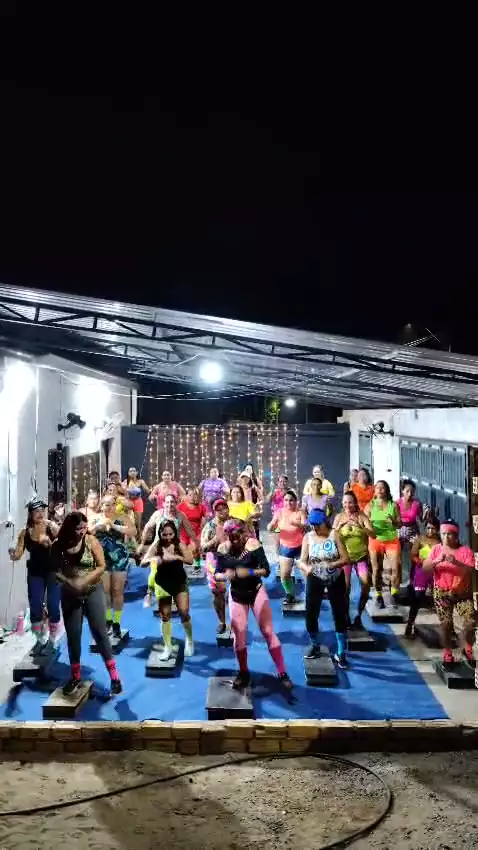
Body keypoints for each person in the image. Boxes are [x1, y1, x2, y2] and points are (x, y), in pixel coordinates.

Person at [50, 511, 122, 696]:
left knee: (100, 634)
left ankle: (114, 676)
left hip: (92, 591)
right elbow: (53, 569)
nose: (82, 532)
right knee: (73, 637)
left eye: (84, 527)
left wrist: (84, 580)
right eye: (78, 529)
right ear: (69, 528)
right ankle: (75, 676)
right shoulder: (58, 546)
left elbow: (102, 566)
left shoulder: (91, 541)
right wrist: (69, 581)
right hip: (70, 595)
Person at [216, 519, 292, 690]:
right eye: (233, 537)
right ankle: (243, 672)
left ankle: (282, 672)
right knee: (239, 636)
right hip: (237, 595)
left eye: (239, 535)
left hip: (256, 591)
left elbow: (266, 570)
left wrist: (248, 572)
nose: (237, 539)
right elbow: (217, 573)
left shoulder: (253, 545)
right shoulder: (222, 549)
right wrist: (225, 576)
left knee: (267, 631)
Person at [298, 508, 351, 669]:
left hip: (335, 578)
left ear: (325, 522)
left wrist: (332, 565)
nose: (315, 528)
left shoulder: (334, 535)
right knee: (311, 613)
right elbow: (302, 561)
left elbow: (346, 558)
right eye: (312, 525)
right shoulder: (308, 537)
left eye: (318, 525)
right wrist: (307, 569)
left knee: (339, 613)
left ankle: (340, 652)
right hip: (315, 578)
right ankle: (315, 645)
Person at [8, 498, 61, 653]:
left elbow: (63, 545)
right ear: (30, 514)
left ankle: (52, 640)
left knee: (53, 605)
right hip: (36, 572)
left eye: (42, 510)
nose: (40, 514)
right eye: (37, 511)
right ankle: (40, 639)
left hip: (53, 570)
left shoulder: (51, 526)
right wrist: (13, 553)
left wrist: (50, 542)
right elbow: (18, 554)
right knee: (36, 606)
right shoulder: (25, 532)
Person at [423, 520, 476, 668]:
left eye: (450, 534)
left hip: (461, 593)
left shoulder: (465, 551)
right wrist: (436, 561)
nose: (446, 537)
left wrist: (457, 563)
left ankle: (467, 648)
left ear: (456, 535)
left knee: (471, 622)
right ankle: (448, 653)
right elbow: (425, 569)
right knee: (446, 624)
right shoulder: (436, 549)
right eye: (443, 534)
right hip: (442, 592)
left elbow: (470, 570)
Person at [142, 519, 194, 659]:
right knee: (165, 616)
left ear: (175, 533)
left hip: (179, 583)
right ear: (160, 534)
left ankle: (189, 640)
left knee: (184, 613)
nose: (168, 537)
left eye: (170, 534)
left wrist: (174, 557)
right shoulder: (156, 545)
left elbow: (190, 560)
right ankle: (167, 646)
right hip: (162, 584)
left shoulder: (179, 544)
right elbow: (142, 562)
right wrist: (153, 559)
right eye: (165, 534)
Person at [90, 494, 136, 637]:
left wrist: (114, 526)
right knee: (105, 591)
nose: (110, 507)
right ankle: (108, 620)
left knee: (117, 591)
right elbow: (85, 532)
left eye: (112, 504)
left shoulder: (122, 517)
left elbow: (133, 531)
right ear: (102, 505)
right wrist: (97, 527)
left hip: (119, 558)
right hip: (102, 559)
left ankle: (116, 622)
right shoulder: (95, 518)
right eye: (107, 504)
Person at [333, 491, 375, 627]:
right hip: (345, 559)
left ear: (355, 503)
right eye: (345, 502)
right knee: (345, 589)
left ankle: (359, 614)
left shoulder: (362, 516)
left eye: (350, 502)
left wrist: (361, 526)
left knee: (366, 585)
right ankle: (345, 616)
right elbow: (331, 536)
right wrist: (339, 527)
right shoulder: (339, 517)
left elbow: (373, 535)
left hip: (361, 558)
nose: (347, 505)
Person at [365, 480, 402, 608]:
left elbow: (400, 524)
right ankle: (378, 594)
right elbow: (364, 522)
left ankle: (394, 592)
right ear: (374, 491)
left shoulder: (394, 505)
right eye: (378, 488)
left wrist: (393, 521)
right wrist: (369, 526)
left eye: (382, 488)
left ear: (386, 490)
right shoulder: (370, 505)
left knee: (396, 567)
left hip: (391, 540)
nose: (380, 490)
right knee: (376, 569)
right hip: (375, 540)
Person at [267, 489, 307, 603]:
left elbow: (306, 527)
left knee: (306, 573)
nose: (288, 502)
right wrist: (270, 527)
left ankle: (310, 594)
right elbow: (271, 526)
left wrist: (297, 524)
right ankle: (290, 595)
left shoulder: (300, 512)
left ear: (296, 501)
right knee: (284, 575)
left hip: (301, 547)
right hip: (286, 547)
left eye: (291, 500)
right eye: (286, 500)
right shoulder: (279, 512)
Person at [404, 517, 440, 638]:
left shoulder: (440, 542)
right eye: (428, 528)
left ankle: (449, 629)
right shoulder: (420, 539)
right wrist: (421, 561)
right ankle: (410, 625)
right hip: (421, 571)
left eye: (433, 528)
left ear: (437, 529)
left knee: (441, 600)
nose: (430, 531)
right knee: (417, 599)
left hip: (436, 572)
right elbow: (413, 555)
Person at [200, 499, 230, 633]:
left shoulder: (234, 523)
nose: (222, 511)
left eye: (224, 508)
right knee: (217, 593)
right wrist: (216, 539)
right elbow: (203, 547)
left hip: (233, 560)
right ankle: (222, 622)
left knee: (238, 592)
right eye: (219, 509)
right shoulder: (209, 527)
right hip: (215, 560)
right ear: (214, 511)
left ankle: (238, 622)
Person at [396, 479, 423, 584]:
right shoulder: (397, 503)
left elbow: (421, 519)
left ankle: (413, 580)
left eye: (412, 491)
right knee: (397, 556)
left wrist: (426, 515)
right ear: (402, 491)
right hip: (400, 530)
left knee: (415, 555)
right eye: (407, 491)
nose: (410, 494)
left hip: (413, 530)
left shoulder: (417, 504)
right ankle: (397, 580)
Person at [177, 487, 208, 569]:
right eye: (190, 495)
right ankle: (183, 567)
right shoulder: (180, 506)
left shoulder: (201, 507)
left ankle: (197, 566)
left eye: (195, 495)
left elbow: (207, 518)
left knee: (194, 548)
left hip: (196, 533)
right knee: (183, 550)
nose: (192, 497)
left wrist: (204, 530)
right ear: (186, 496)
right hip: (183, 533)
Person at [122, 467, 150, 538]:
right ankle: (130, 537)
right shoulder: (125, 482)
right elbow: (122, 491)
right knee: (130, 520)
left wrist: (150, 490)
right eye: (130, 471)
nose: (132, 472)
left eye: (134, 471)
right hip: (129, 503)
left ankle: (139, 536)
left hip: (138, 502)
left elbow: (148, 490)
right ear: (128, 473)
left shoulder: (141, 481)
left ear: (137, 473)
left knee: (138, 522)